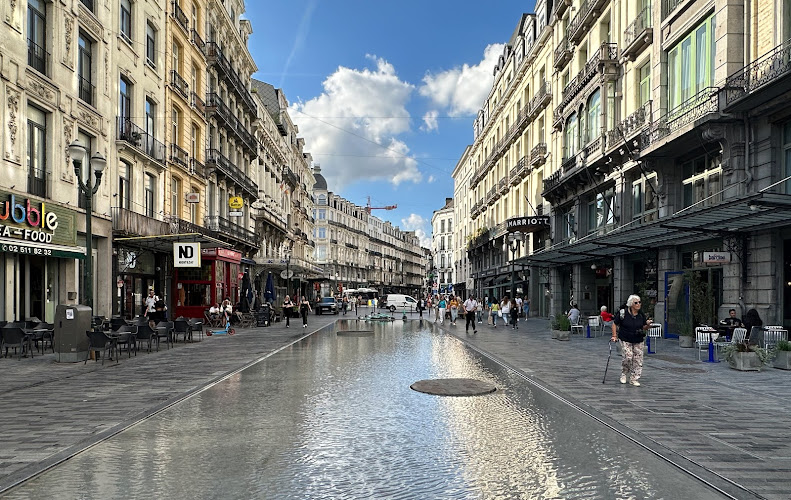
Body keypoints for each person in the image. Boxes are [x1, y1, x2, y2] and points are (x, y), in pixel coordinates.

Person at [611, 294, 652, 386]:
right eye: (636, 302)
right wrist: (614, 335)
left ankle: (634, 378)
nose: (638, 304)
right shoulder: (623, 313)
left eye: (639, 302)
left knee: (638, 359)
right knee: (628, 357)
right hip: (625, 338)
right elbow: (614, 324)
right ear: (631, 304)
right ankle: (624, 373)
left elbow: (644, 327)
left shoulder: (641, 314)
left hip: (638, 339)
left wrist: (648, 325)